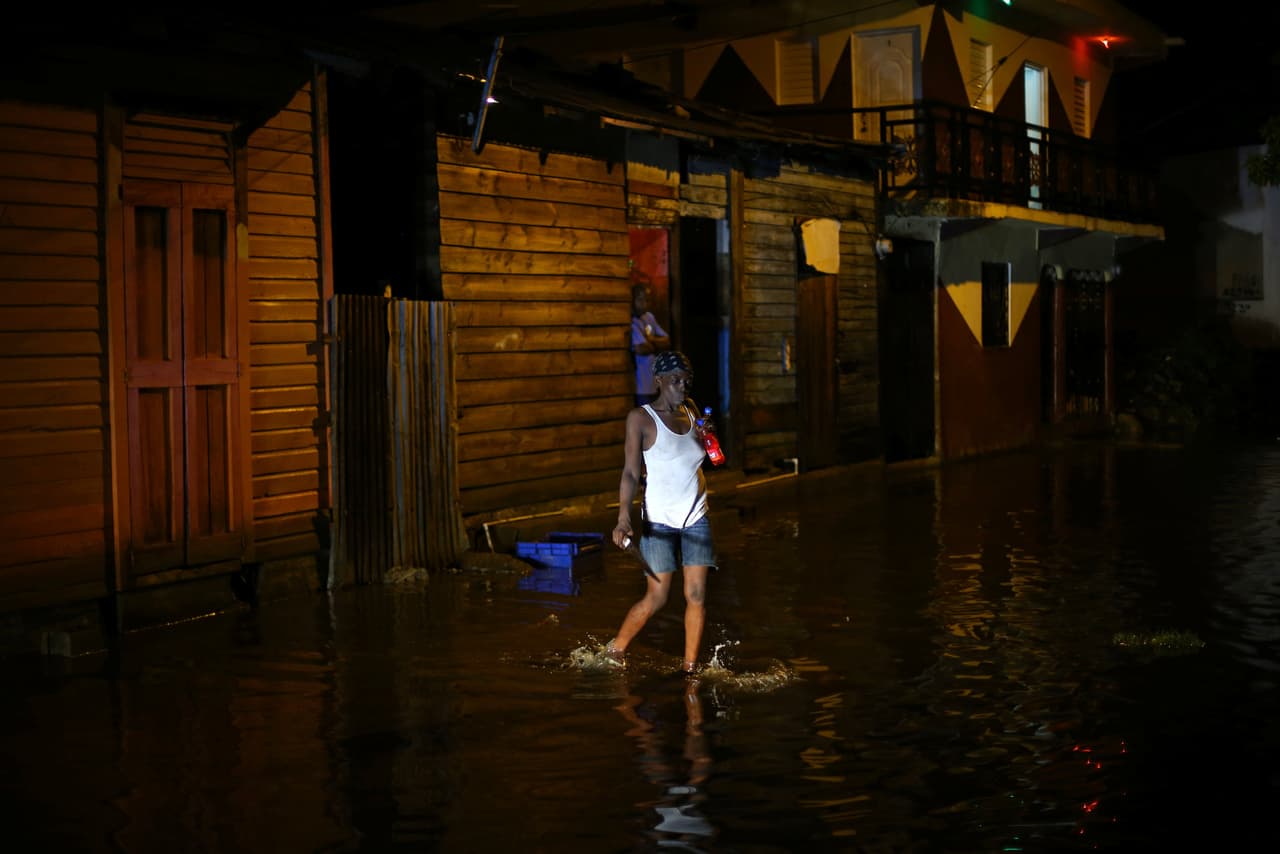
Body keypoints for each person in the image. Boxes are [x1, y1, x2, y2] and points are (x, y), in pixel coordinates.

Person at [607, 350, 717, 674]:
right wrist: (623, 517)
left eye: (687, 380)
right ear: (659, 381)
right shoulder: (640, 419)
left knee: (695, 593)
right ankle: (615, 649)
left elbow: (704, 455)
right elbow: (630, 472)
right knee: (657, 597)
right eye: (676, 380)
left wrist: (707, 434)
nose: (683, 386)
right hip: (658, 521)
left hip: (695, 515)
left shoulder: (692, 409)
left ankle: (690, 669)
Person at [631, 283, 670, 406]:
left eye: (647, 300)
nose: (644, 303)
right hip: (640, 383)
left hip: (653, 379)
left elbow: (667, 341)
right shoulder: (632, 322)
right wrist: (656, 346)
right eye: (640, 299)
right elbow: (641, 348)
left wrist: (651, 340)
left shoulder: (649, 317)